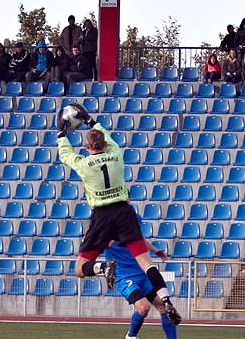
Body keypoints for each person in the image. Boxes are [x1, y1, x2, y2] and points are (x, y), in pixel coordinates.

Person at [55, 102, 181, 326]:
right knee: (146, 263)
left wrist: (61, 132)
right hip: (124, 212)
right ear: (105, 144)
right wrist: (90, 120)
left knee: (80, 268)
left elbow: (65, 154)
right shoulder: (115, 155)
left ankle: (103, 268)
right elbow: (108, 137)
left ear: (87, 146)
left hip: (102, 215)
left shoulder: (84, 163)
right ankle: (165, 299)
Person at [104, 229, 186, 339]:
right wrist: (102, 241)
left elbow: (139, 238)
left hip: (141, 273)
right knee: (144, 308)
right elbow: (88, 239)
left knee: (163, 305)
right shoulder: (104, 228)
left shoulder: (128, 225)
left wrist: (154, 249)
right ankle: (131, 336)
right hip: (123, 276)